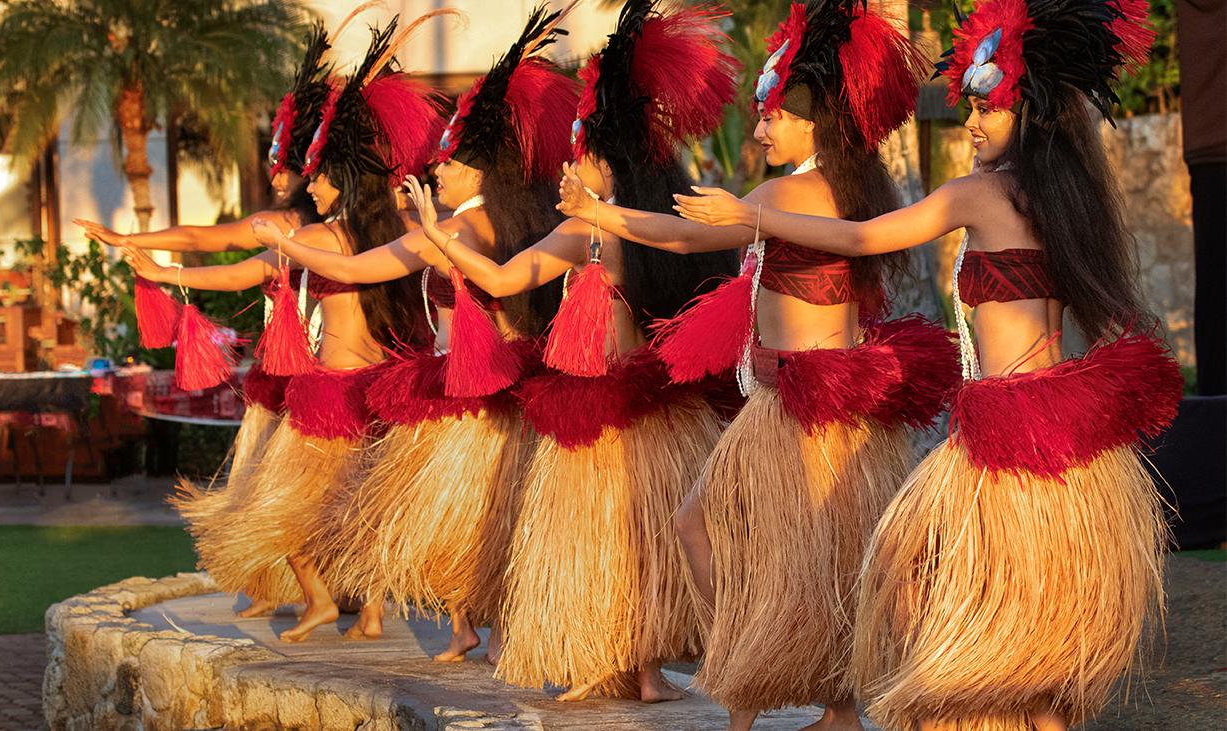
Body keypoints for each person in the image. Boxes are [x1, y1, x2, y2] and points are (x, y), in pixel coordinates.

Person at [673, 0, 1183, 728]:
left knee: (901, 569)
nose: (971, 122)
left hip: (1005, 436)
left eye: (988, 109)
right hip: (1052, 429)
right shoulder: (1063, 197)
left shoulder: (978, 192)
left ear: (1029, 117)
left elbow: (866, 238)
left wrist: (748, 216)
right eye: (972, 106)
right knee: (1023, 608)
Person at [554, 3, 953, 727]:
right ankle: (835, 706)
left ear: (810, 124)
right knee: (824, 558)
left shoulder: (781, 195)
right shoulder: (849, 188)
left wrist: (603, 214)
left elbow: (679, 238)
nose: (762, 128)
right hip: (833, 408)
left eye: (773, 116)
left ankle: (751, 664)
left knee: (701, 525)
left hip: (795, 410)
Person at [413, 0, 739, 702]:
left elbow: (688, 244)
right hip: (587, 403)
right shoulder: (572, 233)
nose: (568, 164)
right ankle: (616, 663)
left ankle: (649, 669)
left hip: (637, 406)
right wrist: (433, 234)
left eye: (580, 153)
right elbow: (502, 279)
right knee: (602, 539)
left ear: (605, 159)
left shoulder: (632, 227)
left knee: (644, 535)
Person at [259, 4, 573, 659]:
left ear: (477, 171)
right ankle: (468, 626)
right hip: (502, 378)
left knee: (443, 507)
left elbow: (362, 266)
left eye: (451, 162)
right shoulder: (502, 218)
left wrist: (289, 247)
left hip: (468, 388)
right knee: (475, 509)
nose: (439, 167)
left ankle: (476, 626)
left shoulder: (457, 228)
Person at [122, 19, 441, 642]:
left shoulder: (318, 237)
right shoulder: (386, 234)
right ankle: (372, 612)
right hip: (378, 384)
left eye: (318, 175)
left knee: (279, 506)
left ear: (341, 179)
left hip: (331, 392)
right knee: (362, 505)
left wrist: (166, 270)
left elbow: (244, 270)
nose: (311, 186)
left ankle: (321, 600)